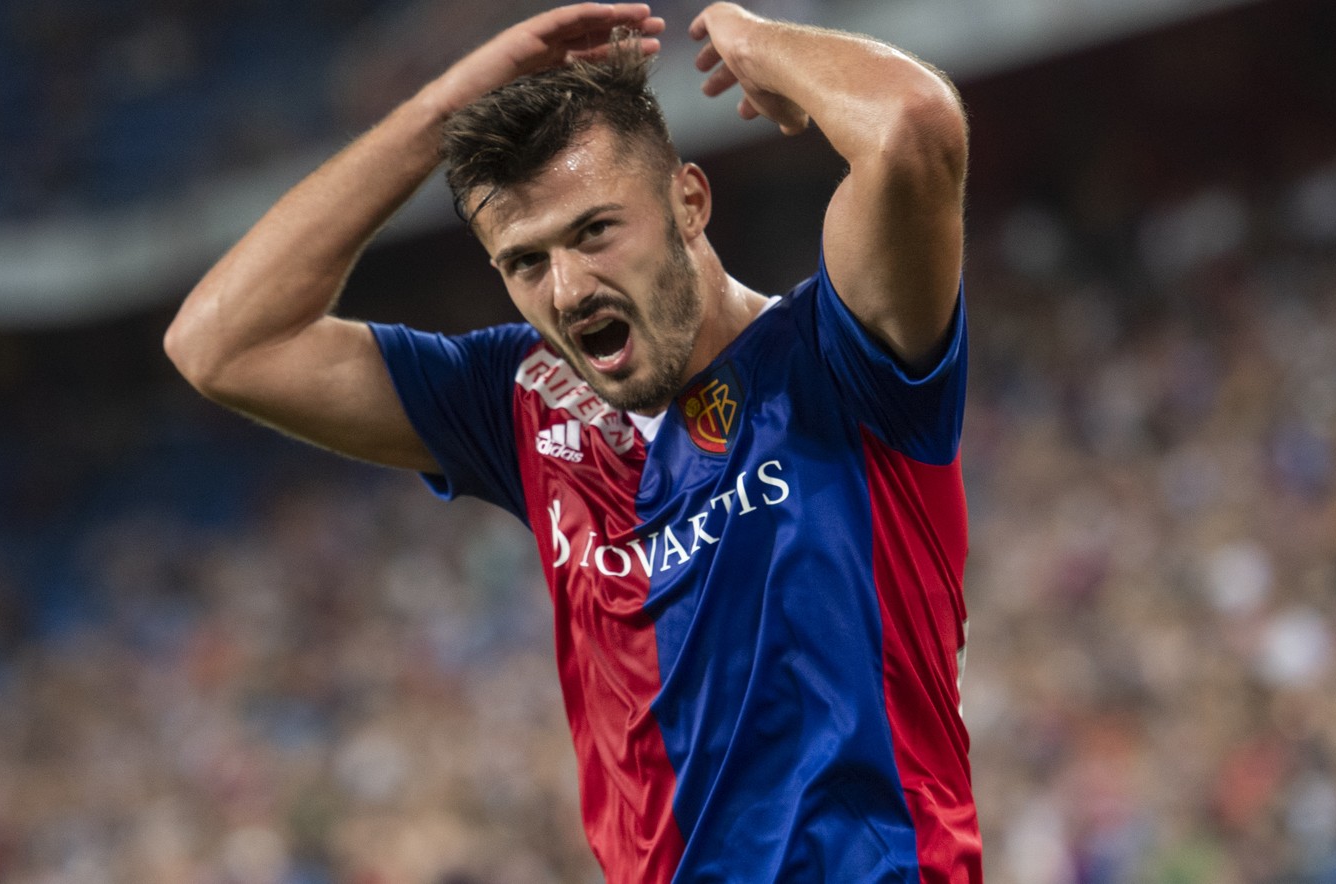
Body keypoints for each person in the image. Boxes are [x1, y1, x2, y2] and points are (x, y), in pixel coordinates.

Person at [165, 2, 979, 880]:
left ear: (690, 201)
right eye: (525, 261)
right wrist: (442, 110)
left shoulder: (842, 355)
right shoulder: (519, 403)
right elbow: (220, 344)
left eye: (595, 231)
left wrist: (754, 40)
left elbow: (912, 127)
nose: (566, 288)